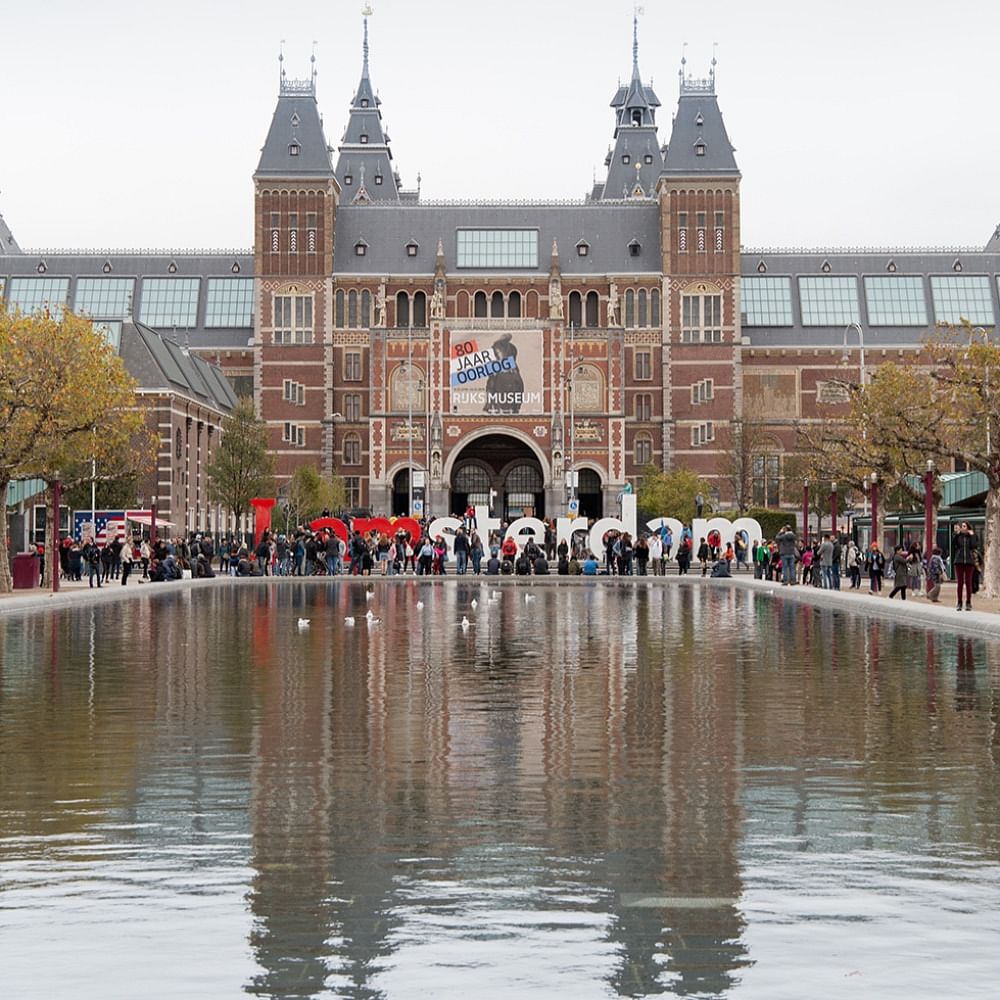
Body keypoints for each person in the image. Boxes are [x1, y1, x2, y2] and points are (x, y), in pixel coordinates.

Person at [952, 521, 979, 611]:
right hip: (959, 561)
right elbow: (953, 545)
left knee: (968, 583)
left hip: (969, 562)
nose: (962, 527)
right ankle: (959, 602)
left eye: (964, 526)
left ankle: (968, 602)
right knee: (960, 583)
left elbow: (974, 546)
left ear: (967, 527)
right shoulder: (958, 536)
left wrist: (972, 536)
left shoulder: (972, 536)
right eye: (961, 526)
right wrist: (956, 535)